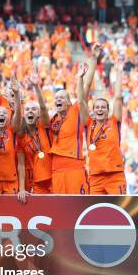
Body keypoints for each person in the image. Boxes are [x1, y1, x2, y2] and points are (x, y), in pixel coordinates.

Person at [48, 45, 98, 194]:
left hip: (74, 166)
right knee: (59, 209)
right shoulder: (53, 120)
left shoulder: (75, 111)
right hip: (56, 168)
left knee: (77, 206)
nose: (58, 99)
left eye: (62, 97)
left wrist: (93, 59)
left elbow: (87, 88)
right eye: (56, 98)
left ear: (69, 102)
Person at [85, 60, 126, 194]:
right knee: (94, 213)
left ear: (108, 111)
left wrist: (119, 72)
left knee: (118, 212)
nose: (100, 109)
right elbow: (81, 100)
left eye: (103, 107)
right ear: (93, 110)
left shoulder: (114, 122)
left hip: (115, 175)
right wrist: (82, 78)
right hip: (95, 177)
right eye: (97, 107)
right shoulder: (89, 124)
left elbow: (118, 97)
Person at [17, 67, 53, 200]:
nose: (30, 111)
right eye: (27, 109)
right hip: (37, 181)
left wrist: (36, 86)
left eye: (33, 109)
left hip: (54, 177)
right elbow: (21, 164)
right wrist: (21, 188)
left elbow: (43, 107)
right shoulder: (21, 137)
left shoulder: (44, 126)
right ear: (23, 114)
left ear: (38, 114)